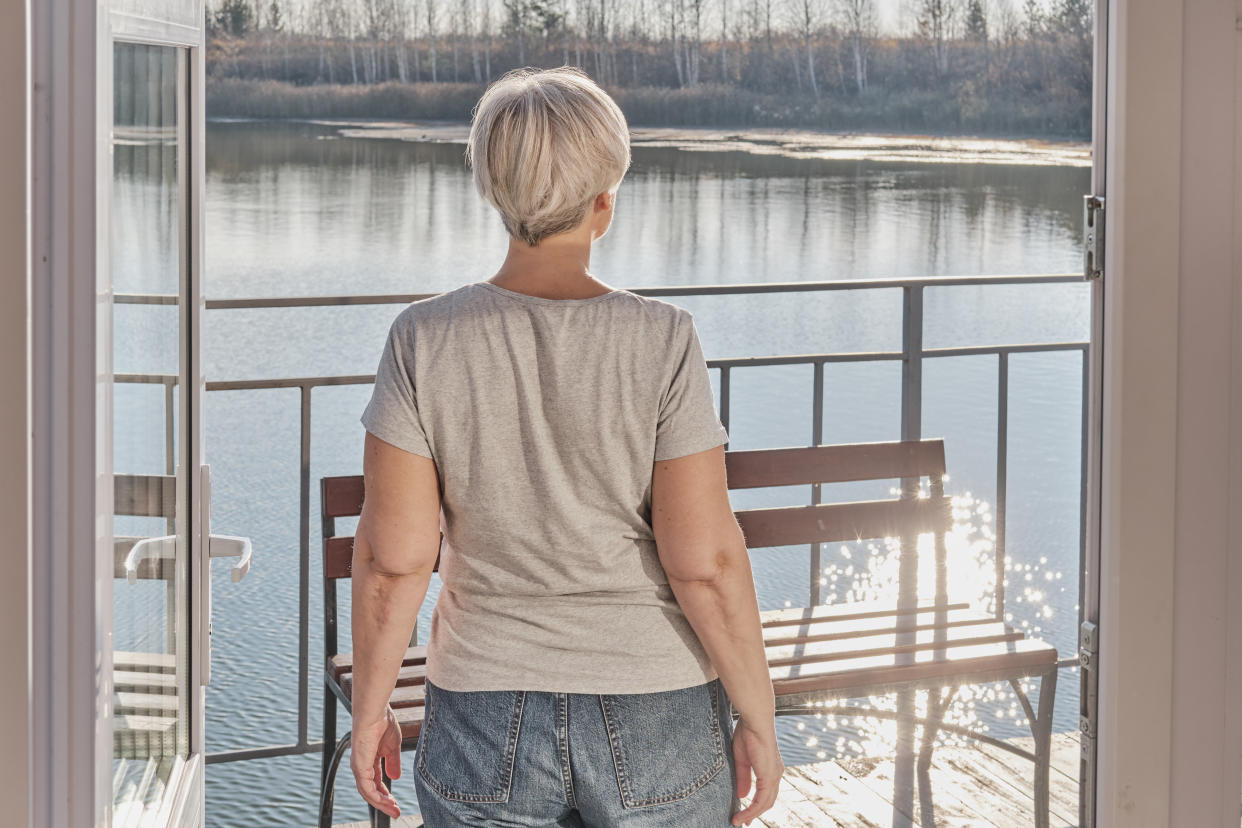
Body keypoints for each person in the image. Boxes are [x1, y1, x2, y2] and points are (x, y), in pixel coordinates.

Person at [347, 65, 783, 827]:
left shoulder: (423, 338)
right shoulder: (664, 341)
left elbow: (394, 561)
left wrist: (371, 711)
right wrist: (759, 720)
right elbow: (706, 564)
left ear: (493, 191)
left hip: (482, 714)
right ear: (604, 202)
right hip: (658, 711)